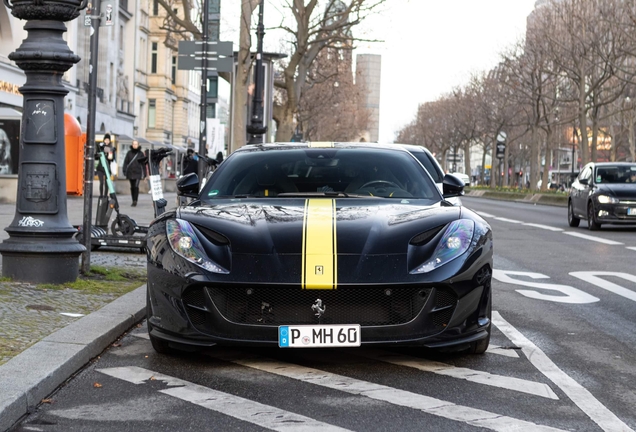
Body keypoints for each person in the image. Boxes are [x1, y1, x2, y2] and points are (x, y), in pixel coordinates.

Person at [123, 140, 145, 206]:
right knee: (132, 187)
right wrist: (124, 170)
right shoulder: (129, 153)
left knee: (136, 186)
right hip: (130, 172)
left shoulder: (140, 153)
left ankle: (135, 200)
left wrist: (145, 174)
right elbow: (125, 162)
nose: (135, 145)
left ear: (138, 145)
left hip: (138, 172)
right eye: (134, 144)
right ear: (132, 145)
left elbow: (143, 164)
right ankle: (133, 199)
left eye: (136, 144)